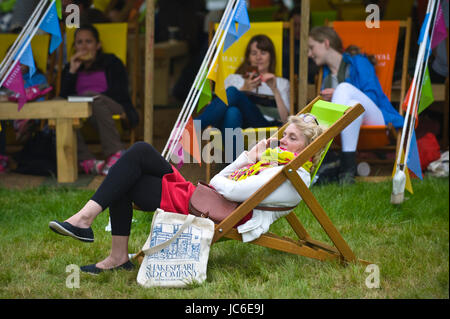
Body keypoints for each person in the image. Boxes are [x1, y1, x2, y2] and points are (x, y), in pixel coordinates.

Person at [49, 113, 324, 274]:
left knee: (128, 174)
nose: (282, 141)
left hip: (206, 210)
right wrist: (249, 158)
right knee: (139, 153)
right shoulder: (275, 164)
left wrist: (249, 161)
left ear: (308, 149)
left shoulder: (289, 174)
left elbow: (225, 187)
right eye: (285, 134)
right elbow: (220, 185)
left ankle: (94, 230)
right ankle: (92, 228)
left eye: (292, 138)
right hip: (204, 198)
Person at [308, 26, 403, 183]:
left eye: (312, 48)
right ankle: (347, 173)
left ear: (326, 43)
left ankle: (327, 158)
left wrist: (338, 93)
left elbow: (373, 97)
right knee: (352, 104)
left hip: (376, 118)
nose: (309, 54)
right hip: (349, 125)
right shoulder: (325, 75)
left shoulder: (359, 61)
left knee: (344, 88)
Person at [60, 24, 139, 176]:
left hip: (113, 105)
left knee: (92, 97)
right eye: (79, 42)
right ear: (74, 46)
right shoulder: (70, 67)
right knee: (60, 107)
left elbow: (121, 93)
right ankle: (87, 161)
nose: (83, 46)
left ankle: (116, 152)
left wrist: (89, 97)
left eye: (88, 42)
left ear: (98, 45)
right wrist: (71, 71)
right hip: (83, 110)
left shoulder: (112, 63)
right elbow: (64, 97)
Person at [196, 34, 290, 161]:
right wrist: (245, 88)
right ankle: (238, 166)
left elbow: (285, 120)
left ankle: (194, 127)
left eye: (263, 52)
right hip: (236, 125)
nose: (258, 57)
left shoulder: (281, 82)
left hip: (262, 125)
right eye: (254, 53)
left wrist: (275, 90)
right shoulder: (235, 79)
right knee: (232, 111)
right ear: (248, 58)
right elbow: (220, 108)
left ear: (271, 57)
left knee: (232, 94)